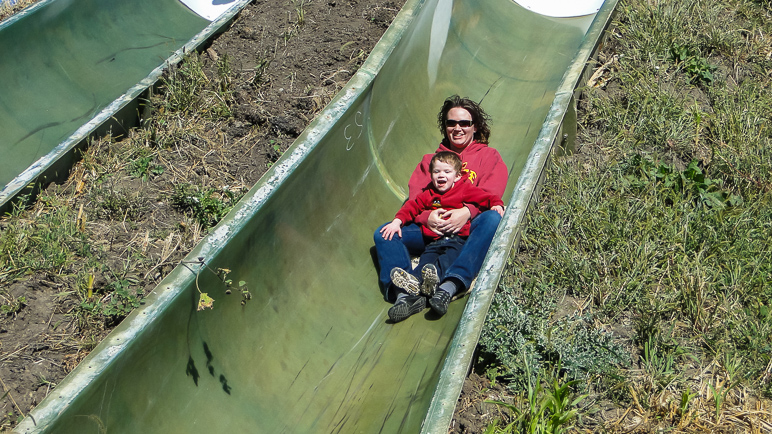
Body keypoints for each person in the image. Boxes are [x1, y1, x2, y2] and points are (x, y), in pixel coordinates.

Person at [374, 95, 508, 320]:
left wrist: (466, 212)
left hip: (467, 229)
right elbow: (416, 199)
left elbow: (491, 195)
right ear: (444, 127)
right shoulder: (431, 160)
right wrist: (427, 218)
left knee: (493, 219)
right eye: (451, 123)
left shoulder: (489, 156)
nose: (457, 128)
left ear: (474, 127)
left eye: (464, 123)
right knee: (384, 234)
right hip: (432, 229)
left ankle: (454, 281)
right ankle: (404, 293)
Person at [379, 151, 504, 322]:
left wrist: (496, 204)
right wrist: (397, 222)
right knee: (426, 261)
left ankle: (438, 283)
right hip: (434, 241)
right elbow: (412, 207)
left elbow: (484, 197)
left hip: (456, 240)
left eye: (447, 172)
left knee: (446, 260)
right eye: (437, 172)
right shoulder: (428, 194)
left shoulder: (464, 189)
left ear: (458, 176)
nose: (441, 175)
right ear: (431, 175)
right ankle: (413, 284)